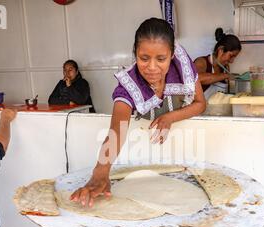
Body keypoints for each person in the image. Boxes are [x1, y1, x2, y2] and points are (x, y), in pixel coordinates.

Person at [70, 17, 206, 207]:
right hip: (145, 158)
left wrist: (170, 118)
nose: (151, 67)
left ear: (172, 55)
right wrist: (100, 173)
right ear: (135, 54)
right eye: (144, 58)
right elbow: (117, 130)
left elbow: (200, 104)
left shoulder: (184, 70)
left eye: (161, 59)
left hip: (186, 155)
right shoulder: (129, 85)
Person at [194, 28, 241, 96]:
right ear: (220, 50)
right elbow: (198, 79)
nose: (232, 61)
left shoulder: (225, 68)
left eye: (234, 57)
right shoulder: (201, 62)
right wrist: (226, 76)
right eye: (231, 56)